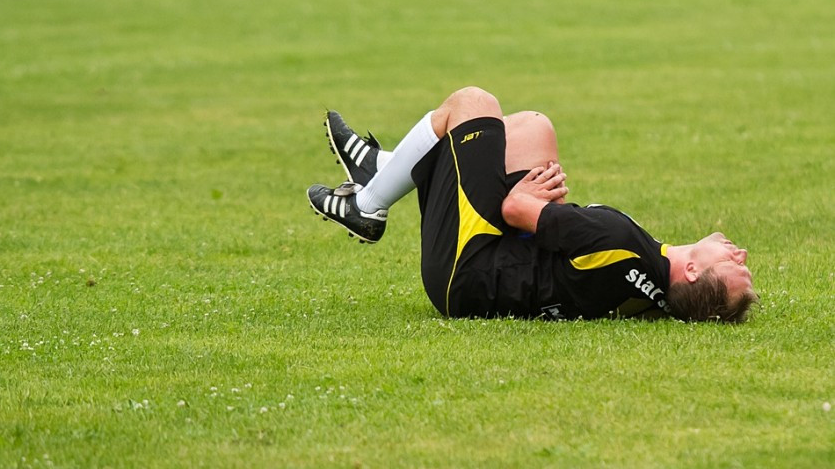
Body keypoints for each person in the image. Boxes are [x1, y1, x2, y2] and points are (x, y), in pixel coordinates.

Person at [308, 87, 757, 322]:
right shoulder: (656, 291)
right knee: (533, 130)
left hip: (467, 268)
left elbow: (516, 212)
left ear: (695, 272)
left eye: (733, 264)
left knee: (473, 103)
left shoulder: (622, 244)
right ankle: (386, 168)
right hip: (497, 264)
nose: (740, 253)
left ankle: (367, 205)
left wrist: (527, 201)